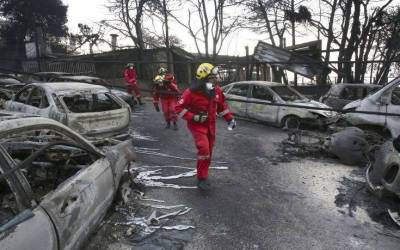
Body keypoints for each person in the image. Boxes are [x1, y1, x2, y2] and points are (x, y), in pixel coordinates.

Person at [175, 63, 236, 190]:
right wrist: (193, 117)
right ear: (203, 79)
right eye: (212, 77)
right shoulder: (191, 92)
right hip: (197, 126)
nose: (216, 80)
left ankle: (204, 173)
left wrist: (229, 118)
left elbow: (222, 107)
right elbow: (178, 108)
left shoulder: (217, 90)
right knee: (204, 149)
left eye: (215, 77)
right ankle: (201, 178)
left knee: (209, 152)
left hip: (211, 125)